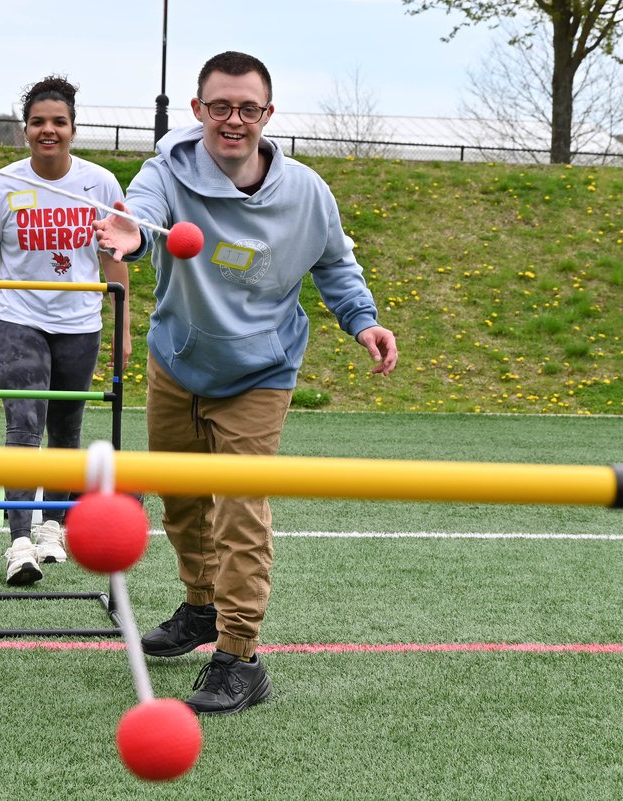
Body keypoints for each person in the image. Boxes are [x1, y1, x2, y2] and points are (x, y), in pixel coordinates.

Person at [92, 51, 398, 715]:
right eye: (220, 107)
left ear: (267, 114)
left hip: (260, 373)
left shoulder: (306, 194)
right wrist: (128, 235)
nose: (234, 120)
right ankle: (200, 607)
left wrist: (364, 322)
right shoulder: (167, 172)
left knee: (238, 509)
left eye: (248, 108)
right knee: (180, 502)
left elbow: (335, 266)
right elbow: (140, 217)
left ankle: (238, 655)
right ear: (199, 110)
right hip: (177, 360)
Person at [0, 75, 130, 586]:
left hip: (80, 323)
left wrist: (123, 329)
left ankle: (53, 527)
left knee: (66, 429)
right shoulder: (0, 183)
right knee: (22, 428)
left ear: (74, 128)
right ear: (26, 129)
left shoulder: (100, 184)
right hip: (19, 319)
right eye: (38, 122)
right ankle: (19, 544)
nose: (48, 130)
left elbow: (114, 258)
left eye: (58, 121)